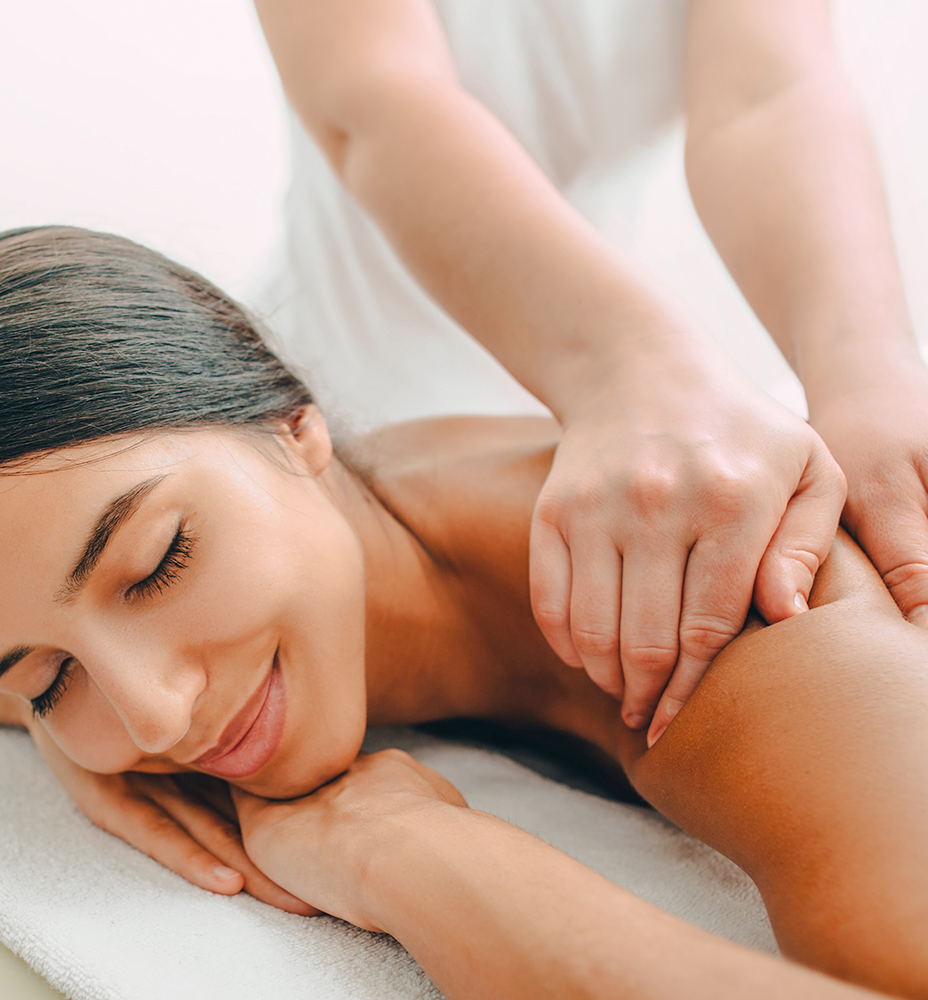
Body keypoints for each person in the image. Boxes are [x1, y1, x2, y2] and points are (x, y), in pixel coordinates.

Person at [0, 226, 928, 997]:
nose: (154, 720)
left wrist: (413, 854)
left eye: (156, 564)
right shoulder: (336, 515)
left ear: (294, 426)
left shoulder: (749, 610)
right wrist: (50, 716)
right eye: (43, 675)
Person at [251, 0, 928, 748]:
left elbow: (770, 94)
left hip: (632, 399)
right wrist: (624, 367)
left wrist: (866, 373)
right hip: (351, 410)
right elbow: (376, 99)